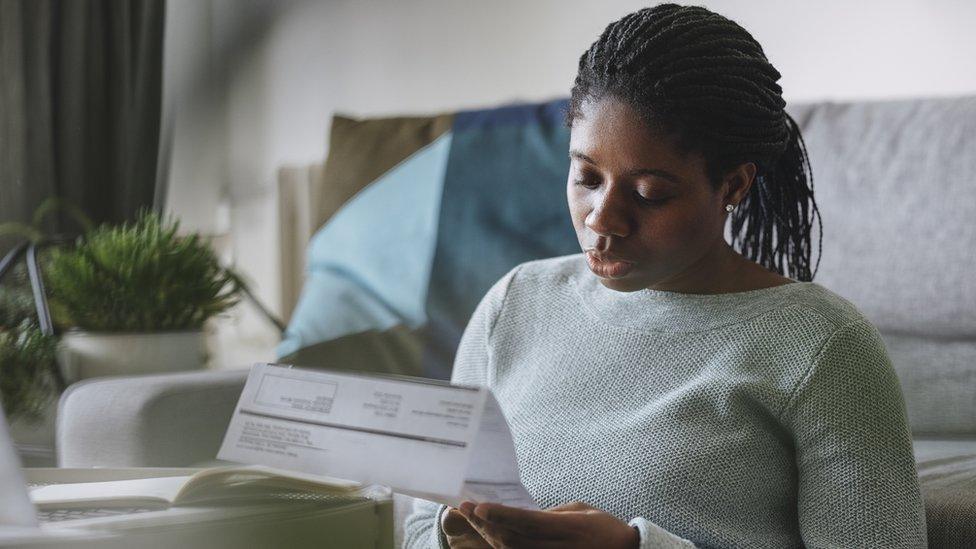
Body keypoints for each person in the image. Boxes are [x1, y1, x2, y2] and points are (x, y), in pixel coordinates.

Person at [403, 3, 926, 548]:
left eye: (650, 193)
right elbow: (418, 525)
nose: (602, 219)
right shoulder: (514, 303)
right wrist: (454, 538)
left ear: (733, 186)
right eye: (586, 177)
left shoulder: (822, 346)